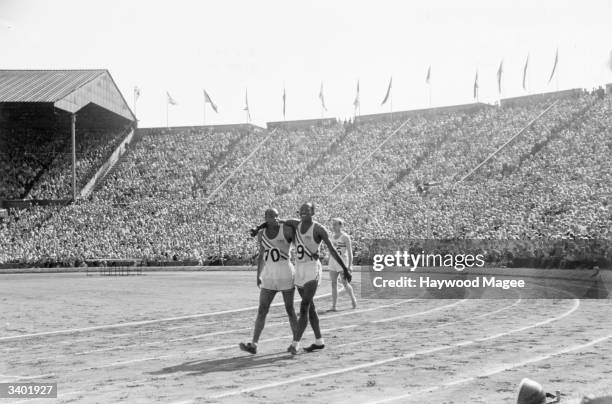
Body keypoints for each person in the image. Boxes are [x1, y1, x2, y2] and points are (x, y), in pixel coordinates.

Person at [250, 202, 352, 354]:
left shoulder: (318, 229)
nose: (303, 212)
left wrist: (345, 268)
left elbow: (331, 249)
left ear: (313, 212)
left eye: (307, 210)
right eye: (301, 210)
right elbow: (272, 221)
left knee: (303, 306)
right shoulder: (294, 224)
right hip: (299, 269)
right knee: (310, 307)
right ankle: (319, 341)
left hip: (312, 268)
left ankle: (295, 344)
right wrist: (258, 228)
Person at [239, 208, 298, 354]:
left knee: (290, 309)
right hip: (269, 275)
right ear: (265, 217)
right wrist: (258, 275)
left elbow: (299, 225)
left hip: (285, 272)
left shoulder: (286, 230)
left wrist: (284, 221)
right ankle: (254, 344)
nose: (274, 218)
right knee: (262, 309)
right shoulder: (261, 234)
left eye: (276, 215)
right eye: (270, 215)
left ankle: (295, 343)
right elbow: (261, 256)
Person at [328, 218, 357, 311]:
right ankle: (334, 305)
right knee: (333, 283)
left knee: (345, 283)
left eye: (335, 224)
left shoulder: (345, 237)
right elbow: (331, 251)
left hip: (342, 263)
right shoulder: (331, 236)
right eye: (333, 224)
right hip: (332, 263)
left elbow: (350, 252)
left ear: (341, 225)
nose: (333, 226)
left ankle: (353, 299)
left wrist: (350, 265)